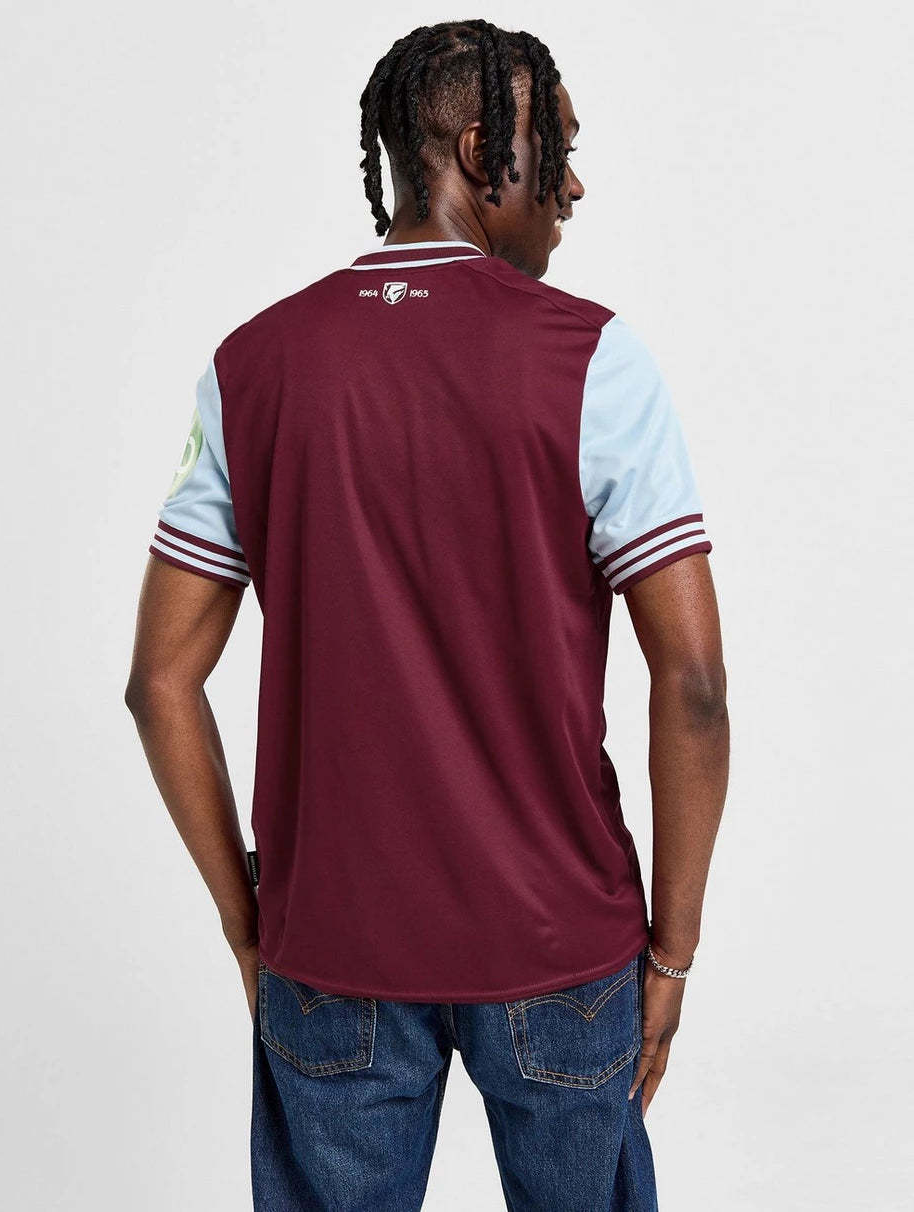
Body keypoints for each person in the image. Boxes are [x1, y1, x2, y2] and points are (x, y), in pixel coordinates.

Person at [126, 18, 729, 1212]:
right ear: (476, 149)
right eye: (557, 148)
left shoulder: (253, 367)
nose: (572, 185)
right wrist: (672, 950)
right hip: (559, 943)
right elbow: (695, 686)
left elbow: (158, 683)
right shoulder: (590, 361)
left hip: (330, 948)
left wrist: (251, 926)